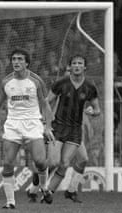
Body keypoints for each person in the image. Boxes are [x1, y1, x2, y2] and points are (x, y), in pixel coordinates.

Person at [0, 48, 55, 209]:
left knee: (40, 161)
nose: (16, 62)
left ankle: (44, 187)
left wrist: (48, 127)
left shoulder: (36, 81)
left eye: (20, 59)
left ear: (27, 63)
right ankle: (10, 202)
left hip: (33, 123)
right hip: (13, 124)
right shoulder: (6, 82)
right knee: (7, 162)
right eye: (14, 59)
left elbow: (45, 104)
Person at [41, 54, 100, 203]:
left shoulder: (90, 87)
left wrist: (92, 112)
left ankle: (49, 193)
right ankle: (39, 176)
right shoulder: (61, 83)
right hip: (58, 127)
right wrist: (45, 124)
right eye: (74, 63)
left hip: (75, 130)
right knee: (53, 162)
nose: (77, 66)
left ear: (85, 67)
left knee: (67, 163)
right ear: (70, 66)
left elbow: (97, 109)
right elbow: (47, 102)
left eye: (80, 63)